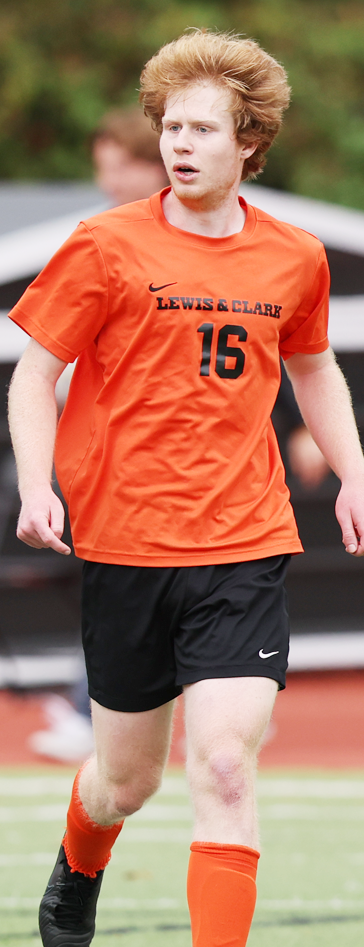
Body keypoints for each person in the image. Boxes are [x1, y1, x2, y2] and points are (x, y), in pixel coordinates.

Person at [9, 29, 364, 947]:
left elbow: (313, 369)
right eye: (169, 126)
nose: (180, 143)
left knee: (221, 760)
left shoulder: (292, 256)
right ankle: (82, 859)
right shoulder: (102, 245)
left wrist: (352, 475)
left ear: (247, 142)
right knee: (124, 782)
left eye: (202, 129)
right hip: (126, 552)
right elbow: (32, 374)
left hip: (245, 546)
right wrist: (39, 485)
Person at [24, 107, 173, 766]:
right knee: (125, 585)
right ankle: (96, 702)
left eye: (117, 167)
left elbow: (261, 352)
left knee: (164, 587)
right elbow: (43, 364)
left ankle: (103, 706)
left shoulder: (214, 241)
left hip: (183, 465)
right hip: (116, 460)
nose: (105, 181)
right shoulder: (101, 242)